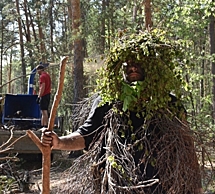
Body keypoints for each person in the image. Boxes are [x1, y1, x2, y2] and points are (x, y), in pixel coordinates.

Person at [41, 31, 203, 193]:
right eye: (128, 63)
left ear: (152, 65)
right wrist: (59, 142)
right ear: (120, 66)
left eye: (139, 62)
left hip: (157, 187)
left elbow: (187, 147)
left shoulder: (169, 104)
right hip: (116, 186)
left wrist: (196, 187)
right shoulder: (107, 101)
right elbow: (86, 135)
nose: (133, 66)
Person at [36, 63, 51, 128]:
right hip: (48, 95)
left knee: (44, 111)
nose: (37, 72)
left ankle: (46, 126)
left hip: (44, 95)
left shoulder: (42, 76)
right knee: (43, 111)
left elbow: (42, 87)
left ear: (40, 70)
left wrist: (39, 96)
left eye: (37, 70)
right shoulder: (47, 75)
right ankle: (42, 126)